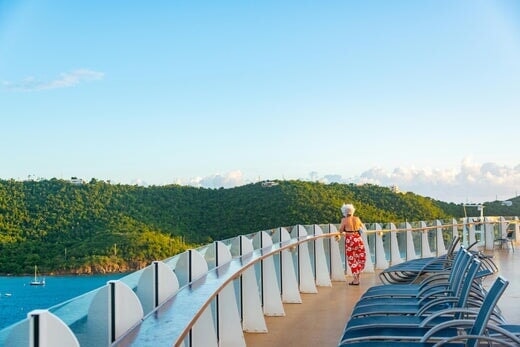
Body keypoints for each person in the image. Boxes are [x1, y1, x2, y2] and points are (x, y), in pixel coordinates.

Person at [337, 203, 366, 285]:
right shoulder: (357, 219)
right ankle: (357, 278)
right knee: (360, 257)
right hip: (358, 238)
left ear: (344, 212)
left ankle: (356, 280)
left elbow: (340, 230)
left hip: (350, 239)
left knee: (352, 259)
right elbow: (362, 227)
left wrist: (341, 232)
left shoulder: (344, 220)